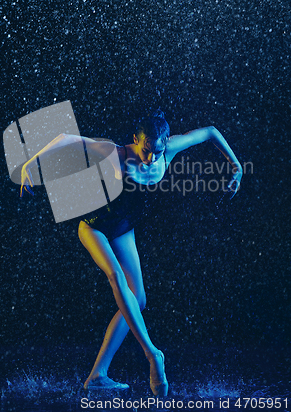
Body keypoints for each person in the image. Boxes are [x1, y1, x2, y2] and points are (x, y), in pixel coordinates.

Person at [20, 110, 243, 396]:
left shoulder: (168, 150)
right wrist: (30, 165)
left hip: (124, 229)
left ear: (165, 143)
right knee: (117, 279)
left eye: (157, 151)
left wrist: (235, 165)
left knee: (137, 298)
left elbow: (210, 130)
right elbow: (66, 139)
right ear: (136, 140)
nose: (151, 159)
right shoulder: (113, 152)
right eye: (146, 151)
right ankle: (152, 354)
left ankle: (98, 375)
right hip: (94, 226)